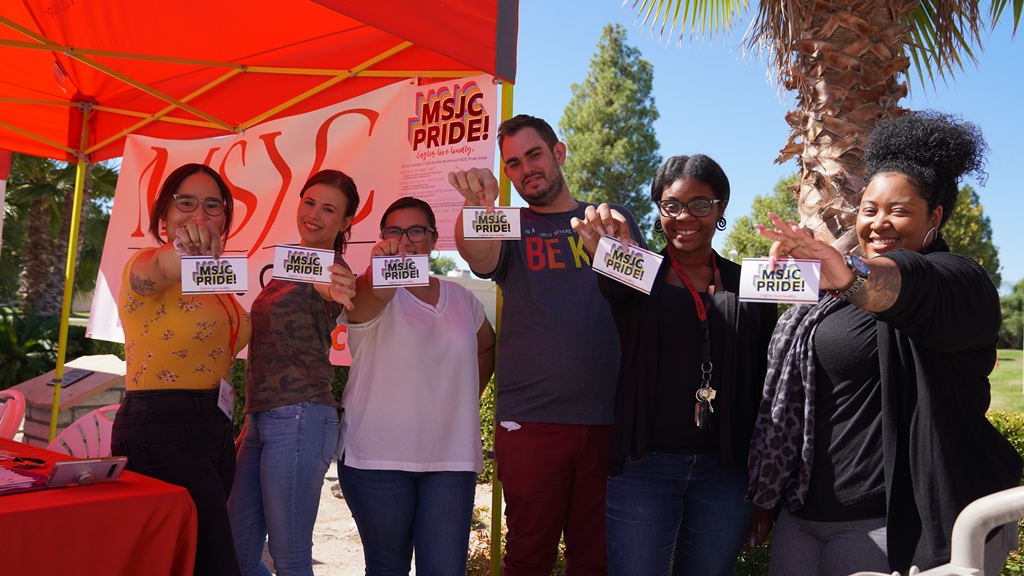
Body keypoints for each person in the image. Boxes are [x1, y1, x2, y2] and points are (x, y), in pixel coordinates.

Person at [746, 111, 1024, 576]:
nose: (879, 223)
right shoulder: (829, 300)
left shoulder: (958, 282)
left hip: (884, 526)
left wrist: (849, 272)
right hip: (802, 519)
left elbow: (906, 285)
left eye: (899, 210)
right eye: (869, 208)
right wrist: (769, 497)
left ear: (934, 216)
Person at [450, 114, 644, 575]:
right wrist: (478, 206)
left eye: (533, 155)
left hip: (608, 419)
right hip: (531, 421)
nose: (525, 169)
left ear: (558, 153)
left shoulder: (608, 217)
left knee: (594, 558)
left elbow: (637, 289)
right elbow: (476, 254)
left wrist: (617, 242)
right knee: (529, 557)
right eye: (513, 164)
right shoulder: (508, 222)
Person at [569, 154, 778, 576]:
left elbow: (767, 385)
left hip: (727, 473)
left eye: (701, 205)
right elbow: (610, 285)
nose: (685, 217)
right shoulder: (637, 272)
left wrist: (764, 490)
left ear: (721, 209)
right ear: (659, 210)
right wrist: (607, 246)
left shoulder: (750, 283)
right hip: (647, 467)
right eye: (672, 206)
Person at [337, 197, 495, 575]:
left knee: (445, 569)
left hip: (451, 459)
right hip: (376, 459)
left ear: (433, 238)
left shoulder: (463, 298)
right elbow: (371, 294)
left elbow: (487, 347)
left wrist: (461, 402)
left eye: (416, 230)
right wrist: (382, 267)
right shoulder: (368, 288)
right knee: (387, 567)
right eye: (393, 231)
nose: (404, 239)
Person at [111, 163, 251, 576]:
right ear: (163, 214)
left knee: (183, 563)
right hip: (161, 428)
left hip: (215, 428)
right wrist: (181, 252)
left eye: (213, 206)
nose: (200, 215)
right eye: (186, 202)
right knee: (215, 565)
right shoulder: (145, 263)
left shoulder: (217, 281)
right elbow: (158, 271)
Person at [227, 170, 359, 576]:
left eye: (329, 209)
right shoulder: (287, 266)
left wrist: (340, 287)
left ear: (346, 222)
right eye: (310, 202)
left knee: (290, 558)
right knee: (236, 552)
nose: (315, 214)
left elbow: (338, 289)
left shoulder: (332, 267)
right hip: (261, 419)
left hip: (301, 416)